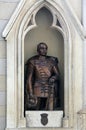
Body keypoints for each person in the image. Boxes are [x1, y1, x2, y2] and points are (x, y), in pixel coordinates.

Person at [25, 42, 60, 110]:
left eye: (45, 48)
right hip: (37, 86)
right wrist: (31, 93)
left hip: (49, 87)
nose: (44, 50)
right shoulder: (32, 61)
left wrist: (53, 78)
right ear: (38, 50)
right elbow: (29, 79)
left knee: (50, 109)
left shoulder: (52, 61)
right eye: (42, 48)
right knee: (35, 108)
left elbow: (57, 74)